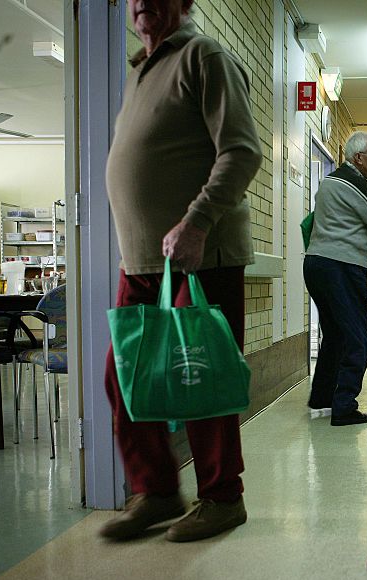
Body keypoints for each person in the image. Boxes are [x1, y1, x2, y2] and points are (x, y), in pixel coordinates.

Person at [100, 0, 263, 542]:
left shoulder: (204, 56)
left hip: (199, 257)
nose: (142, 1)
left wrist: (196, 223)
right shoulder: (137, 71)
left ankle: (222, 498)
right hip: (142, 261)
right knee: (125, 376)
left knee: (200, 377)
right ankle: (158, 490)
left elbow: (240, 151)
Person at [304, 131, 367, 426]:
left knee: (335, 335)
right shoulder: (356, 184)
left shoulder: (327, 182)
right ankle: (344, 406)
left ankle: (322, 397)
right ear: (359, 158)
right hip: (341, 267)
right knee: (357, 338)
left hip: (315, 263)